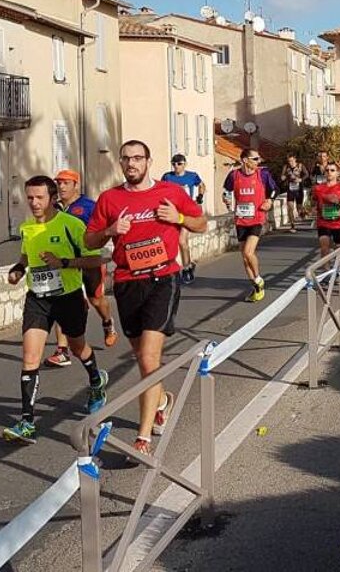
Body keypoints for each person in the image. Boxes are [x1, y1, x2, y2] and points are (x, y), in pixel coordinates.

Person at [85, 141, 206, 455]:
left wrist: (178, 218)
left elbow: (201, 223)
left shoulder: (170, 192)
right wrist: (110, 229)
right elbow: (89, 239)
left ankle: (143, 439)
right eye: (126, 159)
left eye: (137, 158)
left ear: (149, 161)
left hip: (162, 278)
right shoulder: (110, 198)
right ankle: (163, 399)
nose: (131, 164)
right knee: (143, 359)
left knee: (150, 359)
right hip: (127, 282)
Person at [3, 176, 110, 444]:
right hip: (37, 299)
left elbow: (96, 258)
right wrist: (17, 270)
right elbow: (25, 258)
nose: (34, 203)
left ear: (52, 198)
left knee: (77, 347)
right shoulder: (27, 228)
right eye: (29, 197)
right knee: (30, 357)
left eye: (39, 197)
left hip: (68, 298)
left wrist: (63, 262)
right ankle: (27, 422)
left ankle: (96, 381)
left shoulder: (70, 224)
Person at [45, 169, 117, 369]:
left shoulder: (88, 206)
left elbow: (106, 227)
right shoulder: (55, 207)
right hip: (64, 263)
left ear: (76, 185)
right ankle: (62, 350)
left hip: (88, 260)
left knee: (96, 299)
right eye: (59, 183)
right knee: (62, 300)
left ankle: (108, 322)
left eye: (66, 183)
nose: (61, 187)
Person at [223, 151, 278, 303]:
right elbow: (226, 190)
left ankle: (259, 278)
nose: (258, 161)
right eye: (255, 159)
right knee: (244, 258)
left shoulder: (263, 174)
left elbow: (274, 189)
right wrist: (226, 199)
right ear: (245, 160)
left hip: (257, 218)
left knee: (248, 252)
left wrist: (270, 201)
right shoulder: (234, 175)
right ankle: (256, 287)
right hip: (241, 220)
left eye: (258, 158)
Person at [160, 154, 204, 283]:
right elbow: (160, 190)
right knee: (167, 240)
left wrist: (200, 197)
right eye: (173, 164)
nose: (176, 166)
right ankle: (184, 265)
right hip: (171, 212)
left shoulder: (192, 176)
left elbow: (202, 185)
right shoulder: (167, 177)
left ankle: (186, 269)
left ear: (184, 164)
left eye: (179, 164)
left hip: (186, 213)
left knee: (182, 241)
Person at [312, 160, 340, 257]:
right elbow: (314, 203)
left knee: (338, 249)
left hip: (338, 223)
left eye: (332, 170)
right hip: (323, 222)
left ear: (337, 173)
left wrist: (338, 202)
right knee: (324, 246)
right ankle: (327, 270)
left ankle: (339, 267)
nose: (329, 172)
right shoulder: (318, 188)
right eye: (327, 170)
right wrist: (314, 209)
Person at [281, 154, 309, 230]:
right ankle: (292, 225)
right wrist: (283, 177)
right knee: (290, 207)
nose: (290, 162)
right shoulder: (286, 167)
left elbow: (307, 174)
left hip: (299, 188)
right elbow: (282, 176)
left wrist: (301, 179)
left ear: (295, 159)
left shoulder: (300, 165)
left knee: (298, 208)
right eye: (289, 161)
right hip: (290, 189)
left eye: (292, 161)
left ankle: (303, 213)